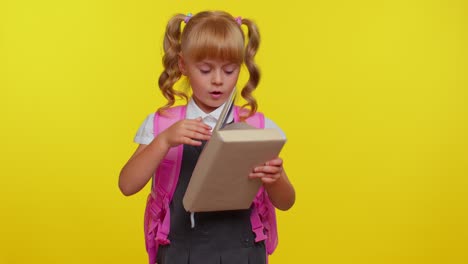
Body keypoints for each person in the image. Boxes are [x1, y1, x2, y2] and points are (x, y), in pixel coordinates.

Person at [119, 10, 295, 264]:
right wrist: (164, 141)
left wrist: (275, 178)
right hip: (181, 253)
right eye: (205, 69)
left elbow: (287, 202)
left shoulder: (256, 125)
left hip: (244, 252)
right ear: (183, 65)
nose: (217, 80)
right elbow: (127, 185)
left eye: (229, 70)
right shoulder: (163, 125)